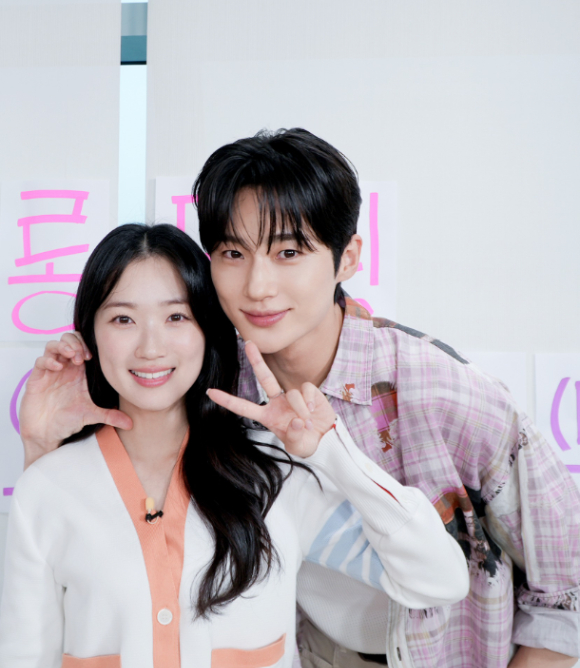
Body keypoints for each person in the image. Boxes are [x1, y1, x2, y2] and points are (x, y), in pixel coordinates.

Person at [18, 128, 580, 668]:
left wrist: (332, 449)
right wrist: (43, 448)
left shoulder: (436, 388)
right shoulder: (207, 377)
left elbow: (568, 591)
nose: (258, 286)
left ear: (347, 258)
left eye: (288, 252)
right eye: (233, 253)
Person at [0, 224, 469, 668]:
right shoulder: (47, 486)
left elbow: (439, 580)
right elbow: (25, 656)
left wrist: (331, 451)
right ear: (89, 334)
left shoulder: (275, 474)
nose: (150, 347)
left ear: (208, 328)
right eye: (123, 319)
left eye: (176, 316)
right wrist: (39, 443)